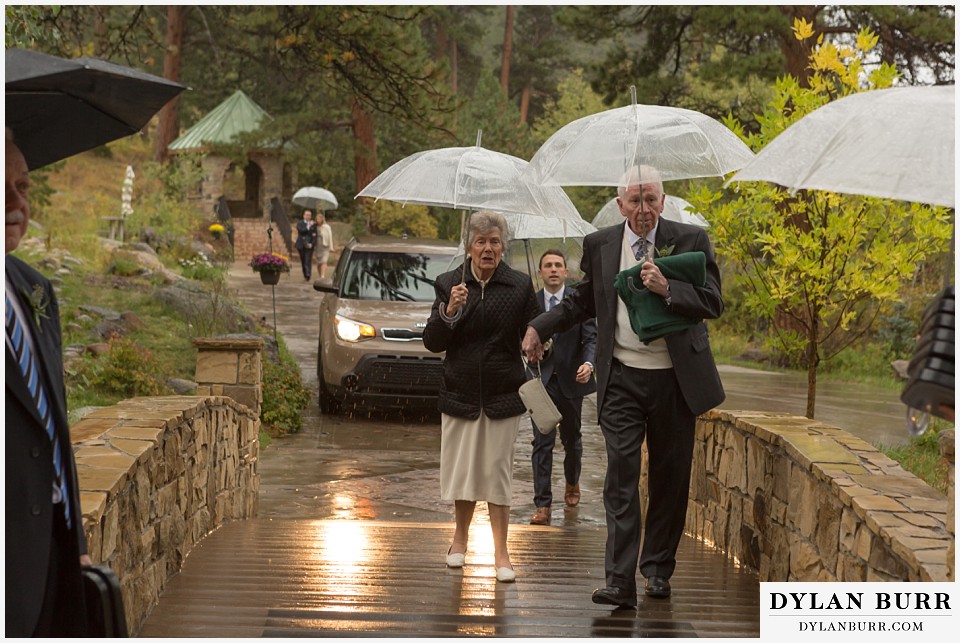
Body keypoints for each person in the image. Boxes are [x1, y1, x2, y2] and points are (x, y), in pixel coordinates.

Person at [522, 165, 724, 607]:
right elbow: (581, 301)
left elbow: (713, 301)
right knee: (621, 477)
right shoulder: (601, 244)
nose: (644, 209)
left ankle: (656, 570)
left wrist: (669, 287)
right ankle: (619, 580)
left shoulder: (690, 240)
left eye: (651, 199)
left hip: (675, 381)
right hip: (622, 380)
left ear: (663, 201)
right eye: (635, 200)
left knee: (670, 479)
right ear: (619, 205)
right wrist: (540, 326)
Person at [6, 128, 92, 636]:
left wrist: (76, 541)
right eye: (3, 186)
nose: (18, 202)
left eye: (25, 185)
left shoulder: (33, 288)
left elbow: (53, 424)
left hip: (54, 561)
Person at [423, 210, 540, 583]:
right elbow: (432, 342)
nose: (488, 248)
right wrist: (450, 310)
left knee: (496, 473)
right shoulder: (448, 284)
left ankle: (502, 552)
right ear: (469, 247)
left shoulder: (520, 285)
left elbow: (535, 333)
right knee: (463, 473)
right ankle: (459, 540)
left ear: (502, 246)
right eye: (481, 241)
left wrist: (538, 341)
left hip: (503, 393)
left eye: (494, 242)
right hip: (459, 392)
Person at [527, 249, 597, 526]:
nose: (553, 269)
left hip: (572, 381)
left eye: (558, 265)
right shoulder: (531, 304)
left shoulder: (579, 302)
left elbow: (591, 337)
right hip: (541, 383)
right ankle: (543, 505)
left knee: (572, 440)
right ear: (541, 272)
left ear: (566, 272)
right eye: (548, 266)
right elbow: (520, 340)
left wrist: (589, 364)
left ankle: (572, 481)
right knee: (542, 443)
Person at [295, 209, 318, 281]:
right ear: (304, 215)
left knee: (308, 260)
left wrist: (312, 244)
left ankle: (308, 274)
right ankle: (305, 273)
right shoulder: (300, 223)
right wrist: (308, 226)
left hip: (309, 245)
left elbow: (315, 235)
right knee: (303, 260)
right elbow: (301, 231)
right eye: (307, 215)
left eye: (309, 215)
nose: (308, 216)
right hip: (301, 245)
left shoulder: (313, 225)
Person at [315, 210, 334, 279]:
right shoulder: (315, 227)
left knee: (324, 261)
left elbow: (330, 236)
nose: (318, 220)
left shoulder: (326, 227)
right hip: (318, 247)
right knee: (319, 262)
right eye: (317, 219)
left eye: (319, 219)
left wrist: (331, 247)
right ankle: (320, 275)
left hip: (325, 246)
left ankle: (323, 276)